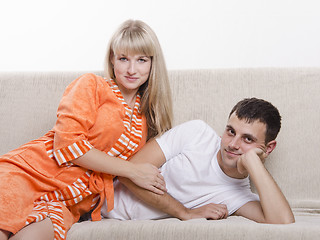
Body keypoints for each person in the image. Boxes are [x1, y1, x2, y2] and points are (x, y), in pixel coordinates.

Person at [0, 19, 172, 240]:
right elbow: (68, 145)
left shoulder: (149, 120)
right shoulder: (91, 85)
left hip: (69, 202)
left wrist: (189, 211)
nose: (131, 69)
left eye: (141, 60)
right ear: (112, 59)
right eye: (123, 58)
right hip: (30, 173)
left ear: (152, 63)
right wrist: (131, 170)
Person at [102, 98, 295, 224]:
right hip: (94, 201)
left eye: (248, 139)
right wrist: (184, 212)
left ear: (268, 148)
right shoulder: (196, 133)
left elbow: (283, 222)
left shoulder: (238, 197)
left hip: (110, 219)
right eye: (231, 131)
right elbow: (128, 172)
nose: (233, 144)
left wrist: (253, 162)